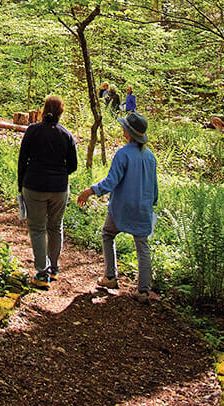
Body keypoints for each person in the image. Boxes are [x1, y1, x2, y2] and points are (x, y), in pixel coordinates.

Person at [77, 110, 158, 303]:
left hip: (121, 207)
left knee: (108, 234)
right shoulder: (150, 156)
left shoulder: (123, 154)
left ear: (128, 132)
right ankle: (143, 290)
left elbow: (111, 181)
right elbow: (154, 186)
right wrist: (152, 203)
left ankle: (111, 277)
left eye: (124, 128)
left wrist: (90, 191)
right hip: (143, 208)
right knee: (142, 245)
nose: (122, 129)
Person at [17, 94, 78, 290]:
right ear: (61, 112)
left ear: (43, 110)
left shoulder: (32, 131)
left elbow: (22, 160)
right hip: (59, 189)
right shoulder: (66, 135)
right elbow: (73, 166)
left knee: (37, 228)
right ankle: (54, 268)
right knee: (55, 226)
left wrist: (21, 185)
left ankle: (42, 273)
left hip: (33, 185)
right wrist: (59, 174)